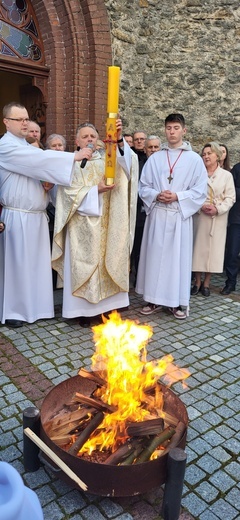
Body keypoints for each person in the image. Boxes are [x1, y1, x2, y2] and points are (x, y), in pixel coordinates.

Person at [0, 102, 94, 328]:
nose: (24, 123)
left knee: (36, 265)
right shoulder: (6, 146)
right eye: (19, 119)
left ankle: (39, 307)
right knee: (17, 265)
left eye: (26, 118)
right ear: (6, 122)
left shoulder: (26, 147)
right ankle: (15, 310)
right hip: (17, 217)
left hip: (38, 216)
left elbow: (39, 169)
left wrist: (47, 184)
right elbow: (38, 161)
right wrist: (74, 156)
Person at [52, 120, 138, 327]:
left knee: (110, 259)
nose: (90, 139)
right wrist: (95, 191)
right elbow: (65, 196)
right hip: (81, 225)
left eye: (93, 136)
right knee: (83, 265)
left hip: (109, 224)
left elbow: (130, 168)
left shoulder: (109, 159)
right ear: (77, 141)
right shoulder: (71, 164)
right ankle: (83, 311)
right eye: (85, 136)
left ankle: (108, 309)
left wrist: (117, 140)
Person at [135, 113, 208, 319]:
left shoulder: (194, 160)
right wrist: (156, 194)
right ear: (165, 130)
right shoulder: (156, 158)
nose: (172, 132)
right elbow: (143, 186)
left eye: (176, 128)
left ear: (184, 130)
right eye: (168, 128)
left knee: (176, 261)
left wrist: (178, 195)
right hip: (157, 215)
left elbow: (200, 191)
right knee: (155, 259)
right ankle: (153, 299)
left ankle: (176, 303)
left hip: (178, 216)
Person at [191, 142, 235, 297]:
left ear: (217, 155)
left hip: (218, 219)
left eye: (209, 153)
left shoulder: (226, 175)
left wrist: (218, 208)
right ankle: (196, 281)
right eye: (204, 154)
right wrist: (201, 206)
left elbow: (231, 198)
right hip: (200, 217)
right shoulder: (197, 173)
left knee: (213, 251)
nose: (206, 156)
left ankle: (207, 283)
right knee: (198, 249)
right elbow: (192, 193)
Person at [220, 159, 240, 294]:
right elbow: (230, 191)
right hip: (237, 219)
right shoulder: (237, 169)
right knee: (232, 253)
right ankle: (231, 282)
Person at [130, 130, 148, 283]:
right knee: (135, 245)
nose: (139, 142)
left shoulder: (149, 159)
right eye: (137, 139)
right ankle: (136, 276)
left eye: (142, 139)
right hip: (133, 209)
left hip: (146, 208)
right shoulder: (131, 158)